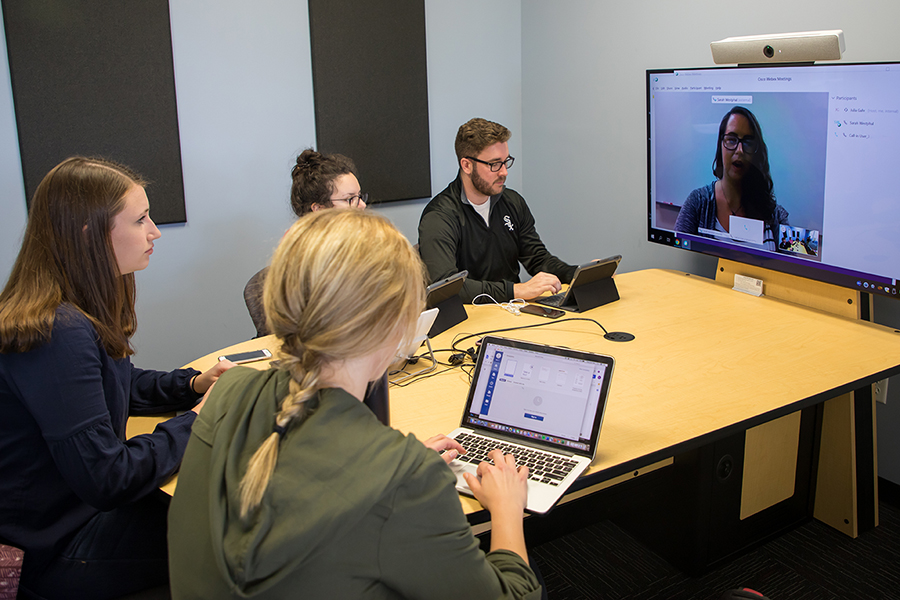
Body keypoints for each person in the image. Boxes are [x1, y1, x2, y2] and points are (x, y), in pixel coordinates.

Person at [168, 209, 542, 599]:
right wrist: (506, 508)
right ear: (395, 327)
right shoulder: (407, 479)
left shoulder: (227, 392)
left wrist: (397, 462)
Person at [0, 157, 234, 598]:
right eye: (141, 219)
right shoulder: (57, 332)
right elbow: (108, 477)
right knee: (238, 524)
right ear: (90, 233)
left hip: (72, 517)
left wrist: (191, 386)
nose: (155, 232)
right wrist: (201, 419)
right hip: (59, 550)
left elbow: (116, 381)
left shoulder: (70, 309)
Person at [418, 118, 576, 303]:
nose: (504, 172)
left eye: (505, 161)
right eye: (494, 164)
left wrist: (576, 274)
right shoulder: (439, 217)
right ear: (467, 165)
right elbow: (446, 287)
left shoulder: (512, 201)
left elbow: (538, 259)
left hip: (514, 311)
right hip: (470, 320)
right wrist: (515, 291)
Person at [674, 106, 789, 251]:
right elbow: (677, 256)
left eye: (747, 142)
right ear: (721, 145)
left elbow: (795, 267)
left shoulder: (775, 214)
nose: (739, 150)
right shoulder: (698, 203)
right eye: (731, 140)